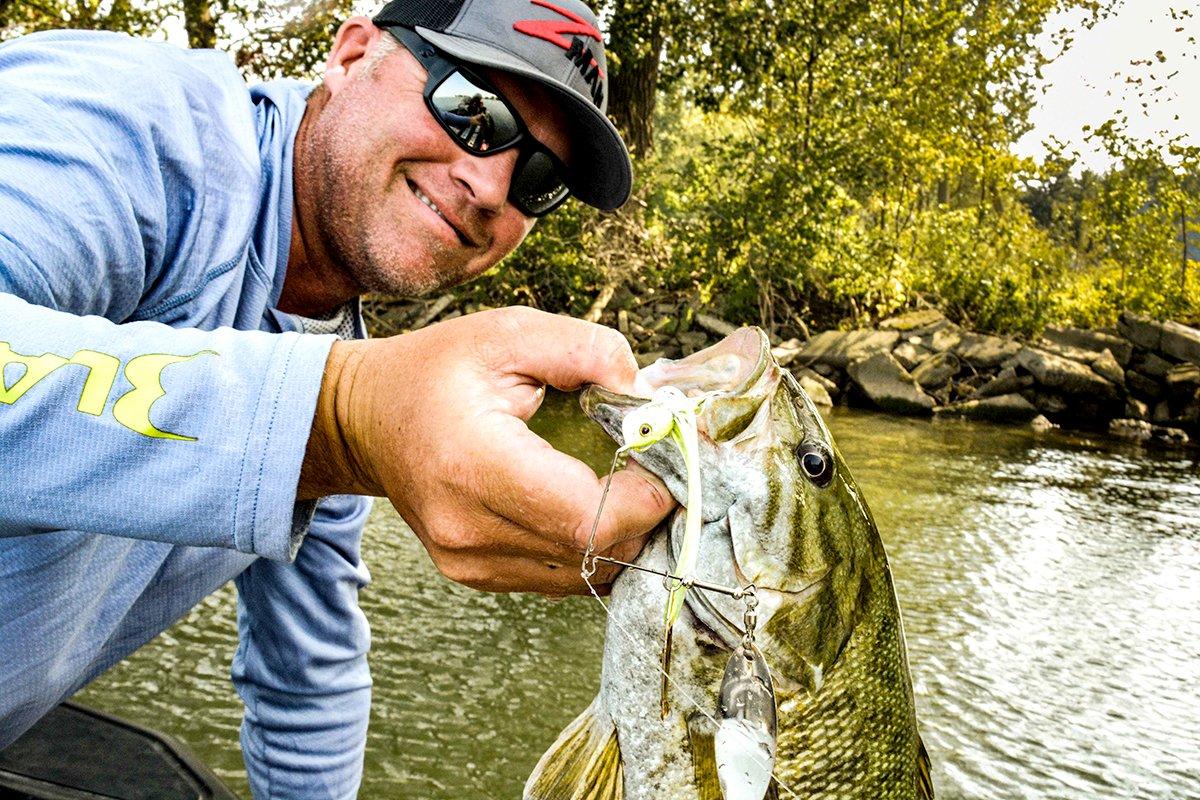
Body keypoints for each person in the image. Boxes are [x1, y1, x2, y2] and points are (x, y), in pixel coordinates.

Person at [0, 0, 673, 796]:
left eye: (538, 178)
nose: (491, 185)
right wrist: (338, 421)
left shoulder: (344, 359)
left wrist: (343, 422)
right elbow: (325, 417)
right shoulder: (123, 121)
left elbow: (308, 675)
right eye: (471, 110)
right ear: (352, 54)